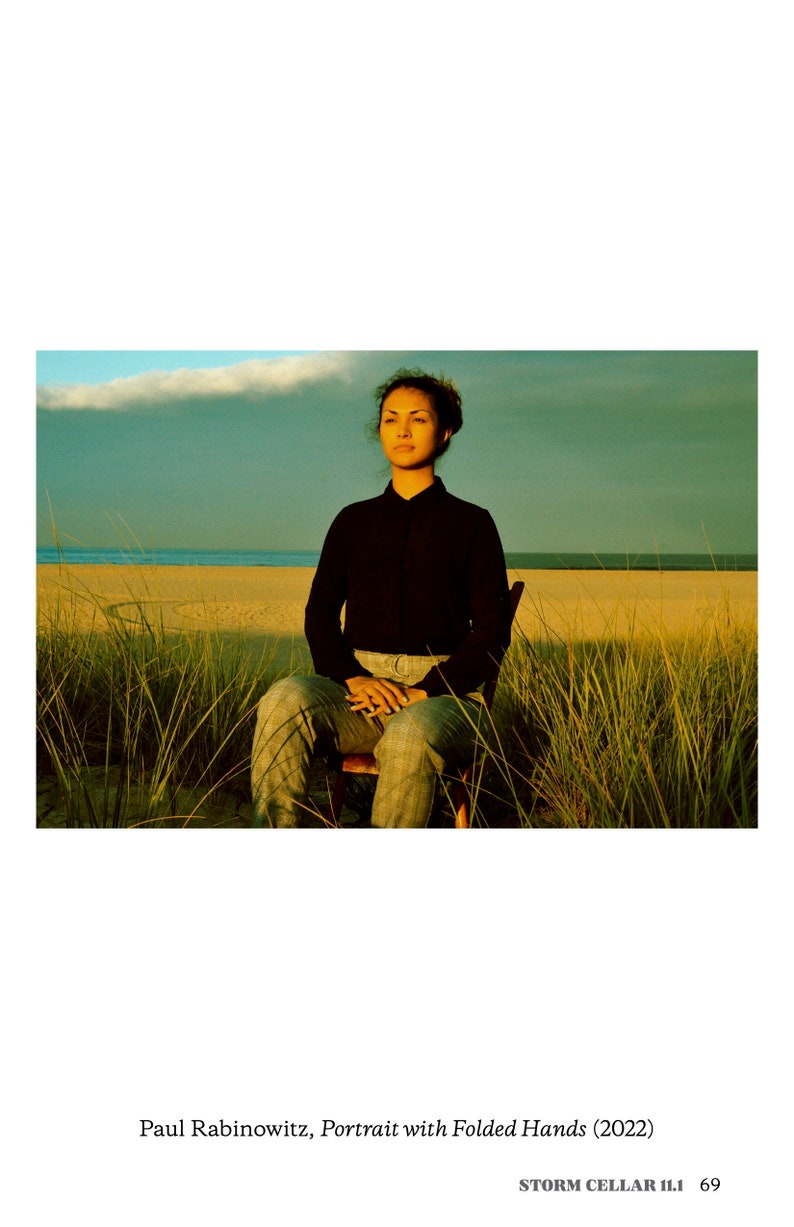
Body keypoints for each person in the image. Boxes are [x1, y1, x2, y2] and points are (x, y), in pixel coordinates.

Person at [250, 368, 511, 828]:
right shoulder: (353, 521)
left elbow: (492, 632)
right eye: (391, 419)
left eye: (419, 419)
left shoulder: (472, 524)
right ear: (379, 431)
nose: (403, 430)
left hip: (444, 699)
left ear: (445, 431)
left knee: (410, 733)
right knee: (283, 698)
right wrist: (352, 678)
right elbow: (320, 616)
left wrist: (424, 690)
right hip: (358, 696)